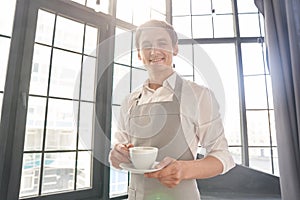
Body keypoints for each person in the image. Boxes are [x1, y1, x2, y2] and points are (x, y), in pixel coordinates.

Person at [109, 20, 235, 200]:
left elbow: (223, 156)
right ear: (139, 54)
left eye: (162, 43)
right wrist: (117, 154)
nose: (154, 51)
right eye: (146, 46)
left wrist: (184, 170)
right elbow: (119, 155)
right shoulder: (129, 101)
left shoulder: (198, 95)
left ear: (175, 49)